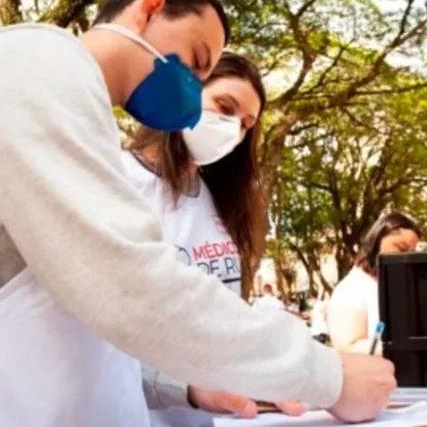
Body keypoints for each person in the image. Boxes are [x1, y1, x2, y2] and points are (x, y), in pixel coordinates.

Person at [0, 0, 394, 427]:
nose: (192, 92)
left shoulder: (80, 111)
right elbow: (128, 285)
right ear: (149, 9)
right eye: (196, 60)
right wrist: (329, 376)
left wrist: (183, 385)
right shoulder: (33, 61)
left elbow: (97, 332)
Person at [122, 52, 303, 417]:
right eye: (224, 106)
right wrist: (186, 388)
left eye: (246, 124)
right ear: (185, 90)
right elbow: (98, 331)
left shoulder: (218, 199)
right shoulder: (117, 179)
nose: (232, 128)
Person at [328, 212, 421, 354]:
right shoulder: (351, 289)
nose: (406, 257)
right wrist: (406, 347)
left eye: (411, 252)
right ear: (377, 241)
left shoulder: (393, 287)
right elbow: (348, 347)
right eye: (401, 248)